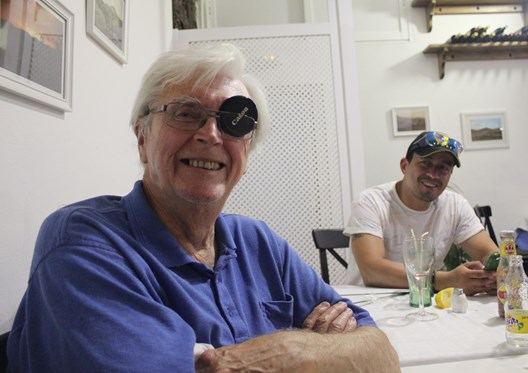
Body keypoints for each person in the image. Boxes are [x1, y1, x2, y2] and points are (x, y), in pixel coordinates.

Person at [7, 44, 399, 373]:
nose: (210, 134)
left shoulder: (258, 241)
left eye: (234, 120)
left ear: (246, 150)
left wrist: (282, 354)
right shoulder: (84, 244)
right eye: (184, 113)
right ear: (142, 137)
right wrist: (319, 348)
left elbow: (380, 351)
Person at [344, 131, 498, 296]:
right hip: (368, 303)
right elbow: (372, 270)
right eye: (425, 164)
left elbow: (490, 254)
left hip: (425, 303)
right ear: (404, 165)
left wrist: (495, 272)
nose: (432, 175)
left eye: (443, 168)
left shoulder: (455, 205)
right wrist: (445, 280)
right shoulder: (370, 202)